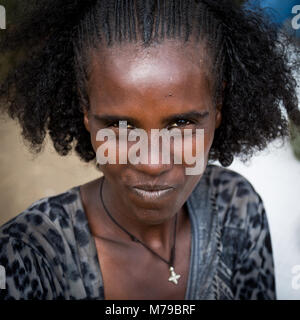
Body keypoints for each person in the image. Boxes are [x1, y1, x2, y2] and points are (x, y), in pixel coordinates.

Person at [0, 0, 299, 300]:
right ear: (85, 110)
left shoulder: (236, 208)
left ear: (218, 105)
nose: (153, 164)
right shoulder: (26, 258)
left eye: (181, 123)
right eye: (120, 125)